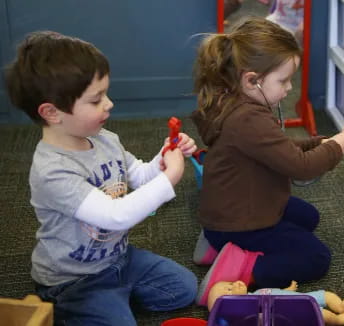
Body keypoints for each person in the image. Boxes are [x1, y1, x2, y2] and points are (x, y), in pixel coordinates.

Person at [4, 31, 198, 325]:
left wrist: (164, 156)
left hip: (118, 258)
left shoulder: (104, 139)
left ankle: (113, 299)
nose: (109, 104)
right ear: (52, 112)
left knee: (184, 288)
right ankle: (81, 307)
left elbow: (141, 175)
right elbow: (115, 216)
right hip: (74, 280)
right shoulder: (52, 171)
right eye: (95, 100)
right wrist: (170, 177)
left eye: (105, 94)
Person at [191, 17, 344, 305]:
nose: (288, 89)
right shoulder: (249, 118)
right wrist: (339, 146)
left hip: (233, 207)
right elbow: (300, 166)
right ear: (251, 79)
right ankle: (237, 269)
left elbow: (276, 149)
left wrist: (321, 143)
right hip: (241, 220)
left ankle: (217, 242)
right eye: (283, 80)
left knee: (308, 217)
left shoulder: (233, 101)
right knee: (316, 257)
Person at [207, 280, 344, 325]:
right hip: (297, 310)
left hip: (300, 296)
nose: (235, 285)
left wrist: (287, 290)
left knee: (325, 295)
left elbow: (273, 291)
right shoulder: (247, 313)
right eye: (230, 291)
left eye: (230, 284)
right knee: (321, 313)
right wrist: (240, 301)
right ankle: (337, 320)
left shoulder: (257, 292)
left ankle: (338, 306)